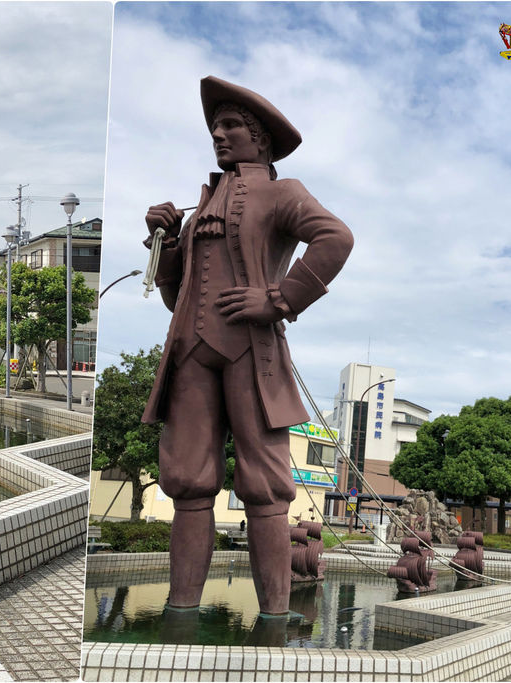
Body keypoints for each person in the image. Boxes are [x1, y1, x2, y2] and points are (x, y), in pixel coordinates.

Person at [142, 76, 354, 616]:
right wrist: (165, 240)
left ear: (260, 140)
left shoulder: (284, 193)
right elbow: (175, 298)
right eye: (216, 126)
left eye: (232, 125)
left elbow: (336, 237)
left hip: (252, 352)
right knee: (187, 481)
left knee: (264, 486)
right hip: (190, 350)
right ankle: (179, 614)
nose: (220, 133)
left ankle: (276, 621)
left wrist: (280, 298)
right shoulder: (197, 211)